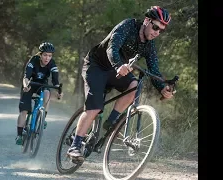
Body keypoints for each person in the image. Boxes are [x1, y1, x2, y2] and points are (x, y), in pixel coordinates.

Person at [66, 6, 175, 163]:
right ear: (146, 21)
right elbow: (112, 48)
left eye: (161, 31)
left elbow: (154, 70)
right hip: (97, 65)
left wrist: (163, 88)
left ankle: (110, 124)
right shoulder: (128, 26)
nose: (156, 32)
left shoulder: (149, 45)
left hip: (117, 71)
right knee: (95, 107)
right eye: (155, 27)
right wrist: (118, 65)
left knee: (134, 86)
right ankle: (75, 146)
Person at [16, 42, 63, 145]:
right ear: (40, 55)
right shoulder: (33, 61)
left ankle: (42, 119)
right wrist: (25, 86)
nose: (47, 58)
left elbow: (55, 81)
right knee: (24, 110)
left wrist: (59, 92)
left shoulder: (52, 64)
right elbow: (26, 77)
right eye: (45, 55)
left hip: (42, 85)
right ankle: (19, 135)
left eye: (50, 56)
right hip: (30, 84)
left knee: (47, 94)